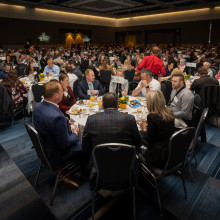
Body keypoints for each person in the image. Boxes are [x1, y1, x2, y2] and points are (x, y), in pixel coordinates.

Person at [33, 80, 84, 187]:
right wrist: (75, 133)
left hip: (44, 147)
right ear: (56, 95)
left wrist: (65, 121)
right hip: (56, 154)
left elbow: (49, 121)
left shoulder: (38, 106)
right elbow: (66, 144)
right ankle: (82, 173)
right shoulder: (56, 118)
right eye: (61, 91)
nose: (63, 94)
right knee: (86, 144)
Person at [82, 92, 142, 161]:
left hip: (100, 162)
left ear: (102, 106)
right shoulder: (129, 119)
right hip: (126, 162)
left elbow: (85, 146)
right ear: (118, 105)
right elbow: (138, 143)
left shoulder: (92, 119)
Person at [139, 90, 175, 168]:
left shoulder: (152, 117)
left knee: (136, 138)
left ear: (150, 103)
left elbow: (149, 140)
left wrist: (144, 129)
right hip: (169, 148)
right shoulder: (169, 111)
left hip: (156, 154)